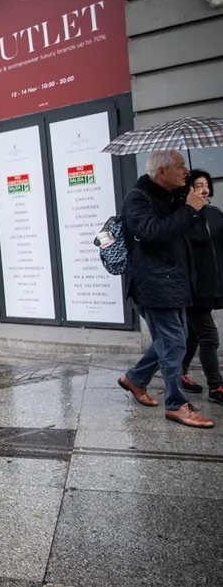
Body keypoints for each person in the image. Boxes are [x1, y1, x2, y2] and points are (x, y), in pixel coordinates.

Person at [119, 151, 214, 428]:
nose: (186, 171)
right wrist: (188, 209)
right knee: (174, 343)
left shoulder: (172, 196)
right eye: (180, 166)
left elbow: (189, 233)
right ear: (162, 172)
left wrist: (194, 203)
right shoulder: (138, 199)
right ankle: (176, 404)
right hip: (154, 284)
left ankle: (134, 379)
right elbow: (153, 233)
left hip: (173, 281)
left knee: (173, 339)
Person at [181, 169, 223, 404]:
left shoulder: (215, 213)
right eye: (198, 185)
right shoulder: (184, 217)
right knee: (208, 335)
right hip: (193, 288)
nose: (204, 189)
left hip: (211, 286)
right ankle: (216, 387)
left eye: (206, 185)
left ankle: (178, 374)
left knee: (192, 335)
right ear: (188, 189)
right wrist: (191, 213)